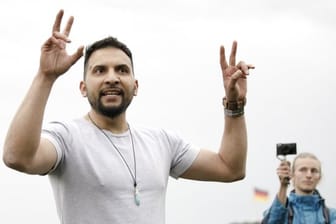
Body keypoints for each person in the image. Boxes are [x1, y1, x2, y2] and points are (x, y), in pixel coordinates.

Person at [3, 9, 254, 224]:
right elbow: (17, 157)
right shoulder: (67, 138)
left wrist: (234, 103)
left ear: (135, 85)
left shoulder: (161, 142)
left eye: (121, 70)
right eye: (99, 70)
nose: (112, 77)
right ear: (82, 87)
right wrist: (45, 76)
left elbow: (230, 168)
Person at [262, 152, 336, 223]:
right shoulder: (282, 213)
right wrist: (283, 185)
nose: (309, 175)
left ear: (319, 177)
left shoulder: (332, 216)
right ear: (292, 174)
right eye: (303, 170)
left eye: (314, 171)